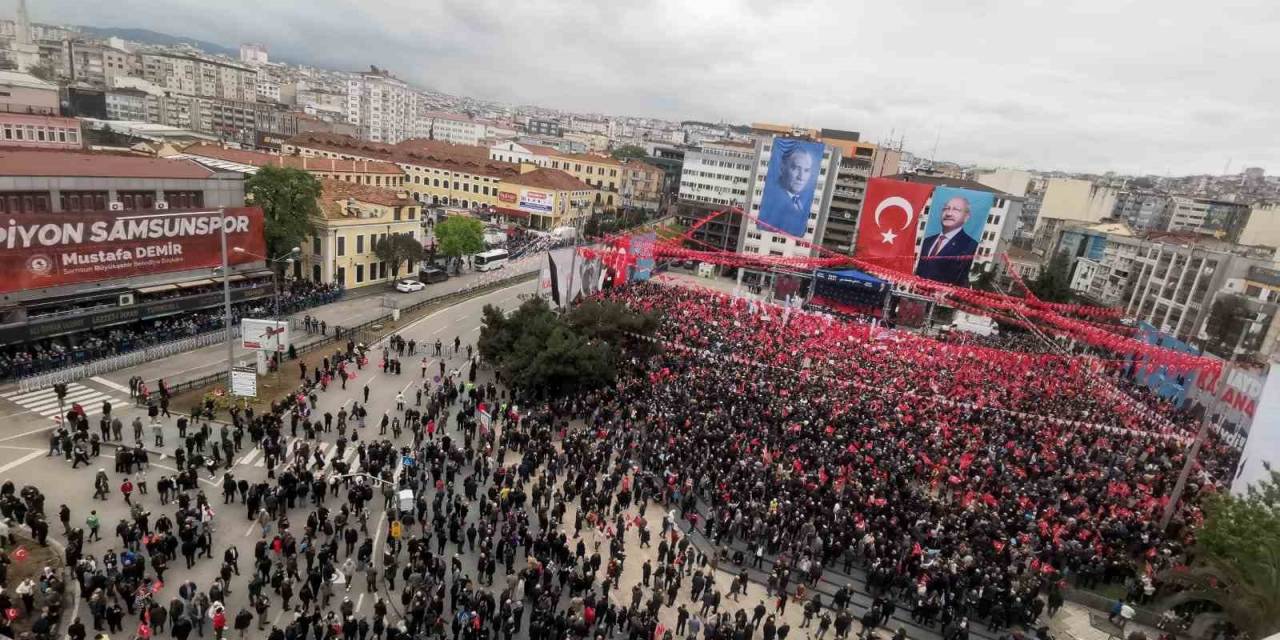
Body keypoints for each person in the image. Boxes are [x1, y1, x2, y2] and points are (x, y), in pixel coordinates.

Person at [915, 195, 979, 286]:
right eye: (946, 208)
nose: (948, 213)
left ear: (966, 217)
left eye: (956, 210)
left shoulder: (970, 245)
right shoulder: (927, 241)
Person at [758, 144, 817, 237]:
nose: (801, 177)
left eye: (806, 170)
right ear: (782, 168)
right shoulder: (772, 199)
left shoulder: (798, 201)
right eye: (796, 168)